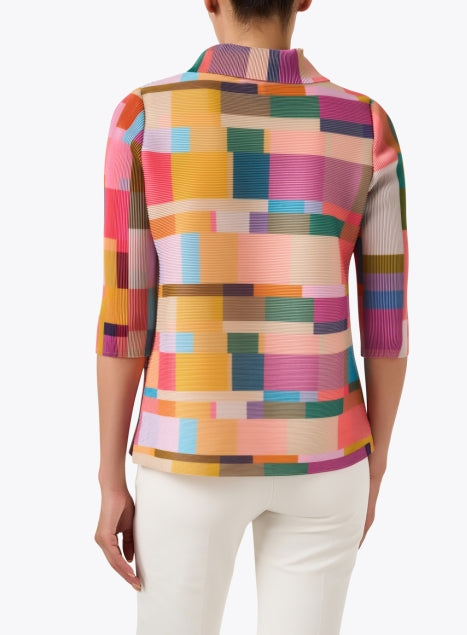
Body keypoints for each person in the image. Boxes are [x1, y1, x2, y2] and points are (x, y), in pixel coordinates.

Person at [94, 0, 409, 633]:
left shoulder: (145, 116)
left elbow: (125, 317)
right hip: (327, 452)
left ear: (210, 0)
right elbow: (388, 325)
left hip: (187, 450)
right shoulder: (365, 124)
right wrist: (373, 468)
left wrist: (109, 479)